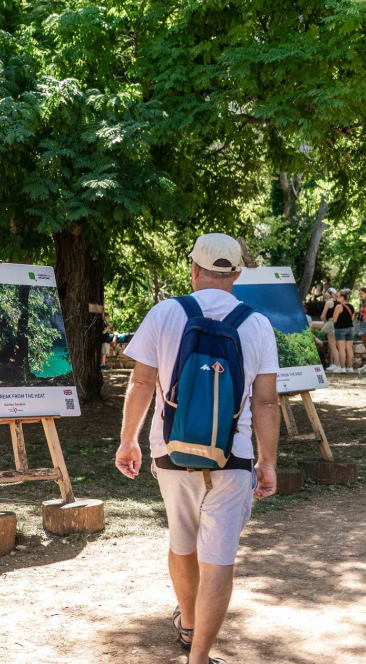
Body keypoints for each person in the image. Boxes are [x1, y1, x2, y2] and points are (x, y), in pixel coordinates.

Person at [115, 233, 279, 664]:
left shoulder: (167, 312)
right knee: (219, 557)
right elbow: (264, 401)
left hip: (170, 451)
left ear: (193, 270)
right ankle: (200, 658)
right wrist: (268, 462)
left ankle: (187, 623)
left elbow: (142, 382)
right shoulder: (257, 324)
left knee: (182, 541)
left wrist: (127, 439)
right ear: (237, 274)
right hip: (234, 457)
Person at [332, 289, 356, 373]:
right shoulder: (352, 307)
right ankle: (350, 367)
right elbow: (352, 318)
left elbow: (334, 320)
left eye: (338, 296)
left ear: (342, 298)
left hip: (340, 329)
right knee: (349, 349)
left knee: (341, 349)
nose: (337, 298)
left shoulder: (339, 306)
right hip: (350, 328)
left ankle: (343, 367)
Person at [321, 288, 340, 372]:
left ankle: (336, 365)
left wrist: (324, 321)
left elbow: (323, 316)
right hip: (339, 325)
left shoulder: (328, 303)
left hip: (330, 324)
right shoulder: (339, 303)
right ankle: (335, 364)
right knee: (335, 346)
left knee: (332, 346)